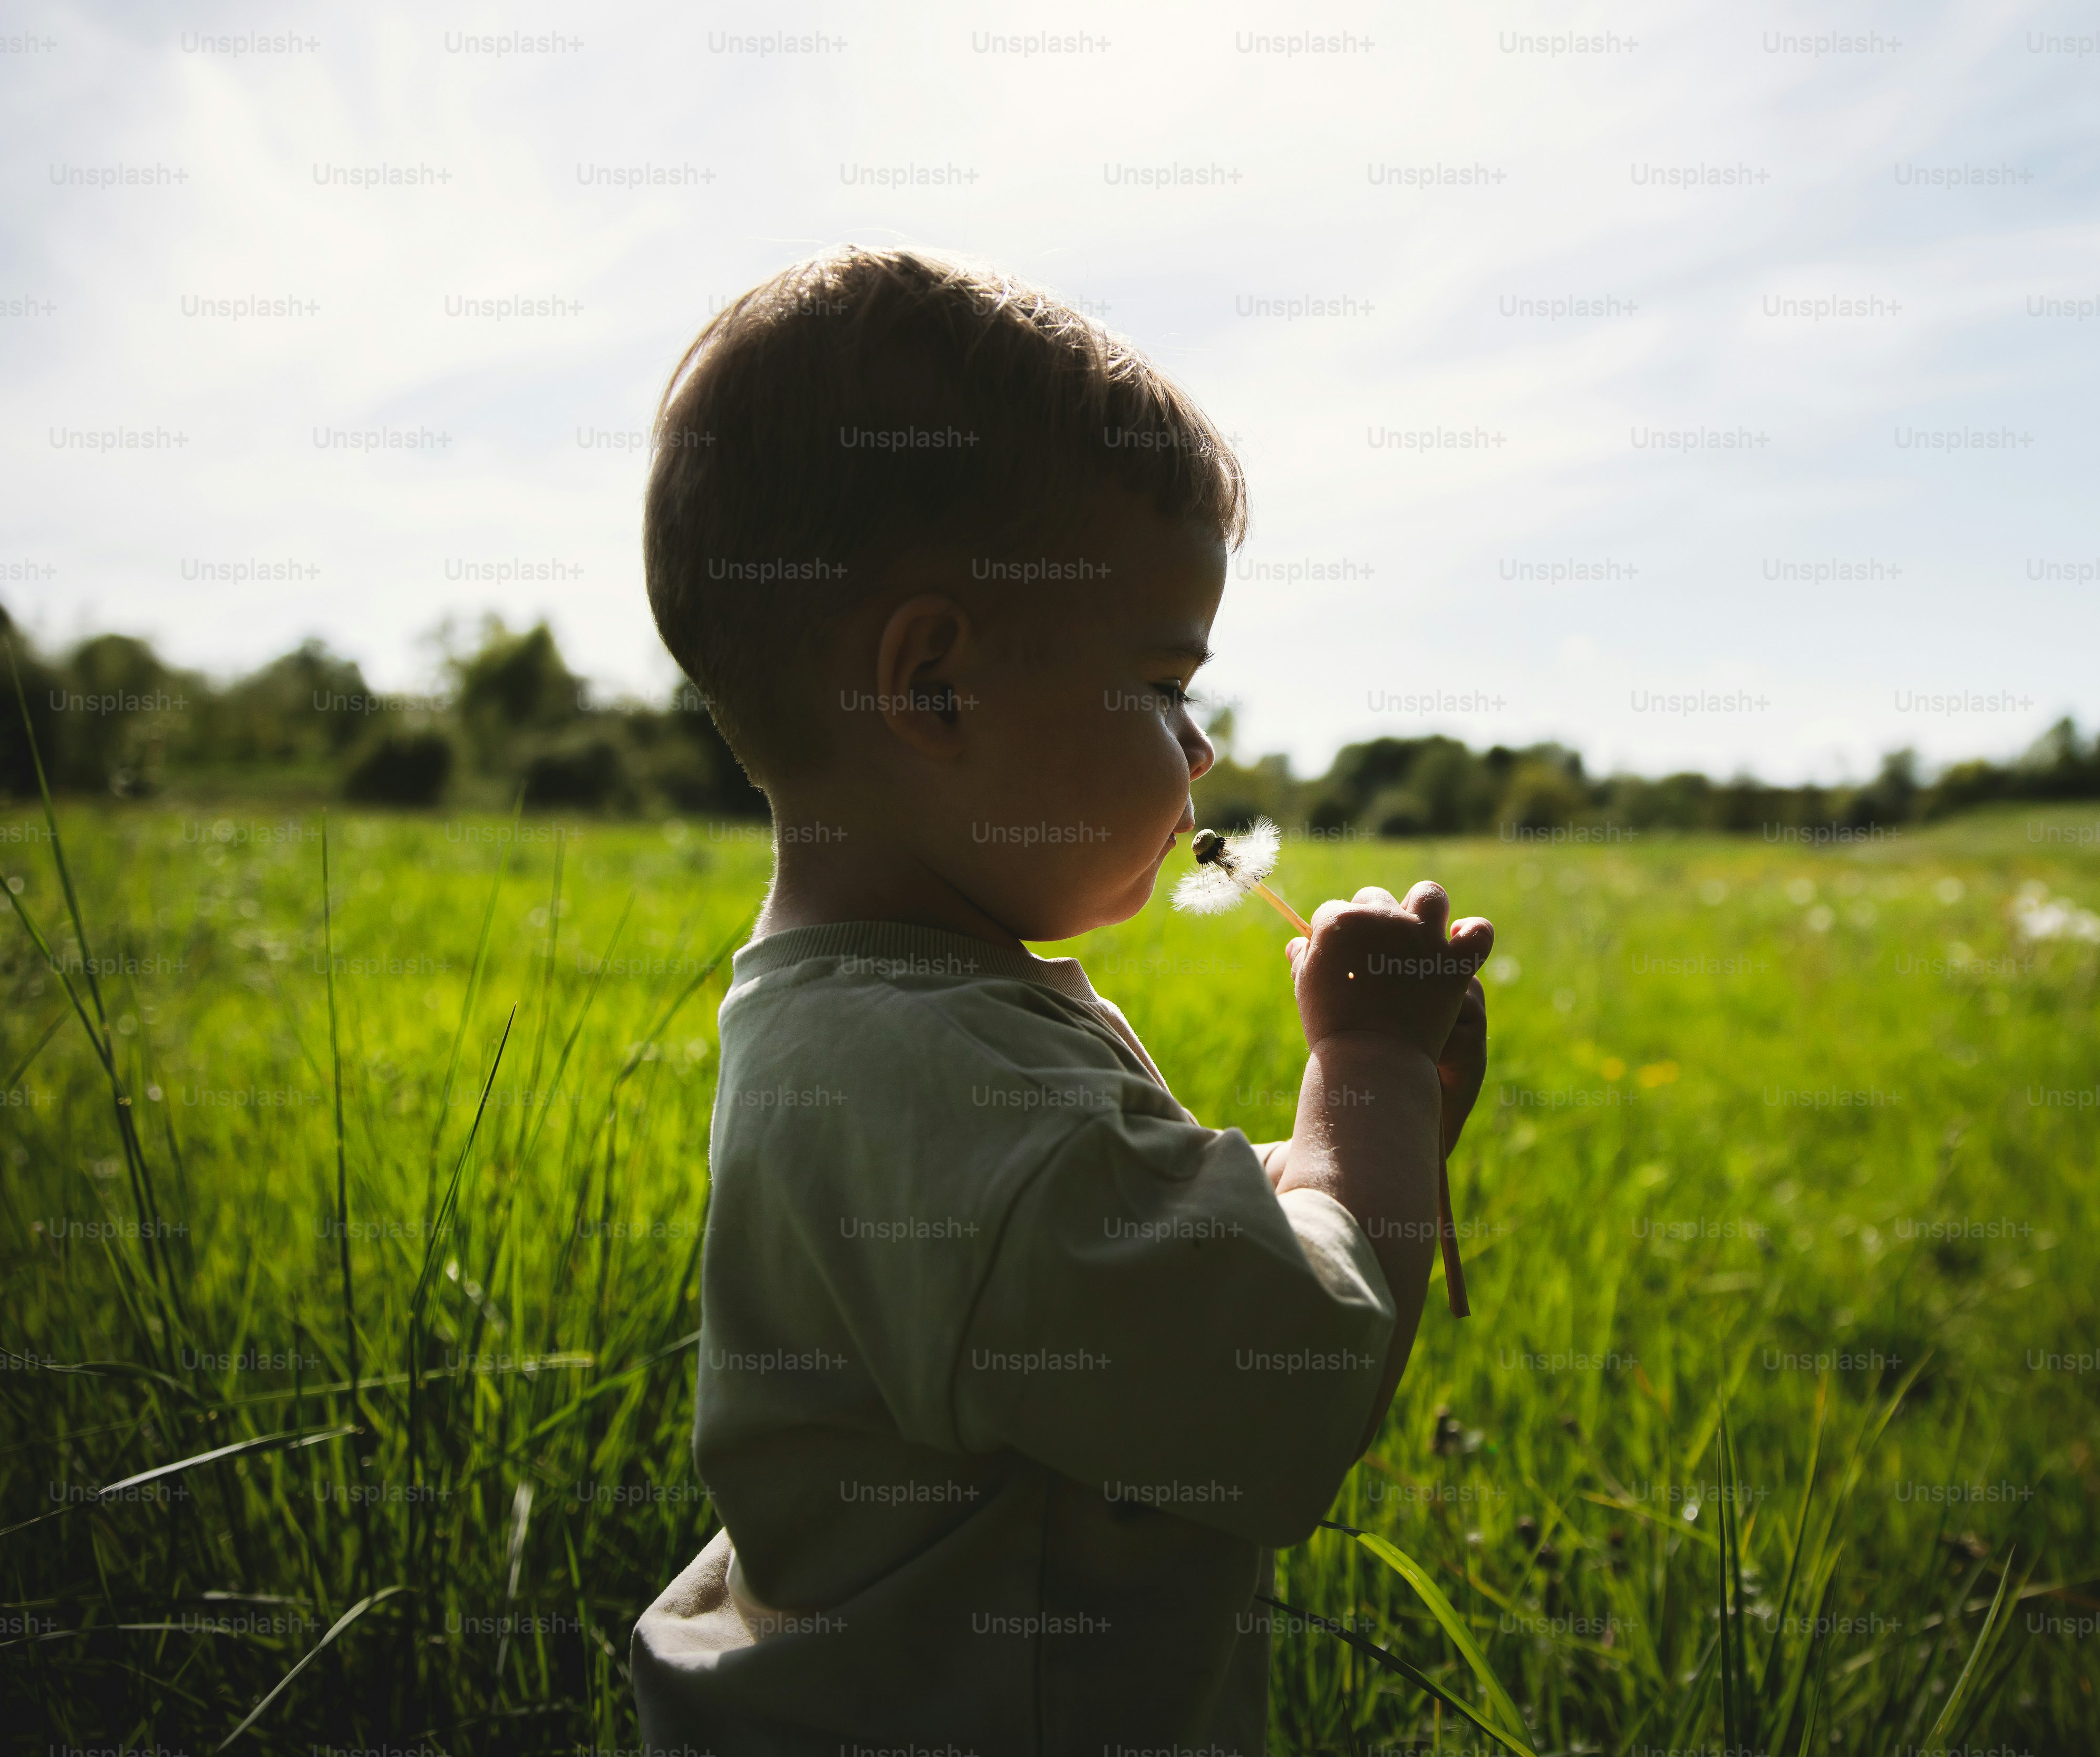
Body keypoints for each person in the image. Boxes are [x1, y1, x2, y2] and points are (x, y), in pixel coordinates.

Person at [630, 245, 1492, 1754]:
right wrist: (1363, 1072)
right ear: (936, 685)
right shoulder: (945, 1081)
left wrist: (1384, 1135)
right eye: (1165, 687)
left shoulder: (883, 1034)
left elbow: (1123, 1251)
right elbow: (1285, 1390)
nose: (1200, 753)